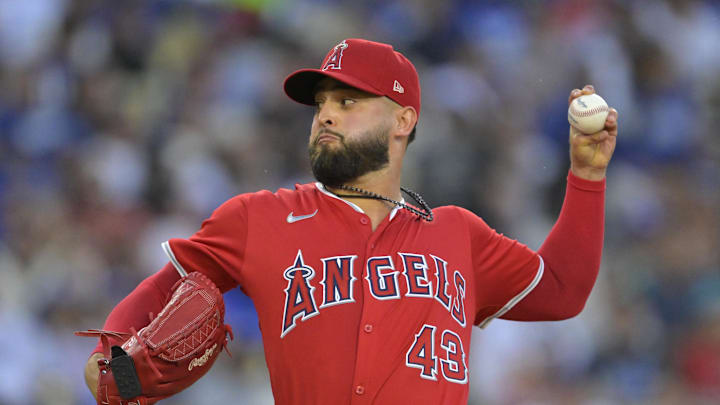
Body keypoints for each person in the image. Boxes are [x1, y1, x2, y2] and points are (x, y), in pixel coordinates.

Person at [84, 38, 618, 404]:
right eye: (320, 104)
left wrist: (587, 177)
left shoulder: (458, 234)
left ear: (403, 120)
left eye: (349, 100)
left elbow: (563, 291)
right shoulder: (259, 219)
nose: (326, 115)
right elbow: (150, 305)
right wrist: (113, 368)